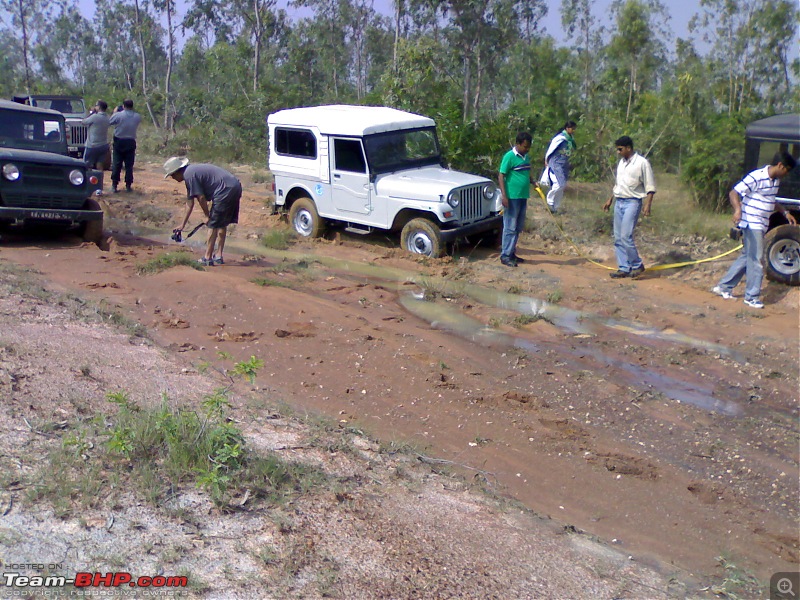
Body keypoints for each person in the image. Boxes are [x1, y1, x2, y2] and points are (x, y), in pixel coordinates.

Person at [712, 151, 797, 308]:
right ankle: (751, 296)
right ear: (780, 165)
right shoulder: (757, 176)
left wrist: (785, 212)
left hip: (762, 223)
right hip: (751, 222)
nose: (786, 174)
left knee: (747, 257)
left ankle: (723, 287)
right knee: (757, 259)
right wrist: (737, 210)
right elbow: (734, 192)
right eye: (786, 170)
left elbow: (770, 201)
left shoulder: (775, 181)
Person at [164, 157, 242, 266]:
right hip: (235, 186)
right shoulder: (191, 173)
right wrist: (182, 225)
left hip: (224, 190)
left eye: (172, 175)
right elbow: (189, 203)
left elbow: (201, 198)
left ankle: (207, 258)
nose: (173, 178)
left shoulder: (189, 176)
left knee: (212, 225)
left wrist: (206, 215)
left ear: (177, 172)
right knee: (221, 223)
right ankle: (218, 256)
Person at [603, 136, 656, 279]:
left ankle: (637, 265)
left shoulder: (642, 163)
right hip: (619, 201)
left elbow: (650, 186)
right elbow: (618, 184)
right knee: (618, 238)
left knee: (626, 236)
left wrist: (647, 205)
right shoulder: (621, 163)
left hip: (632, 202)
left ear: (628, 148)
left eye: (620, 149)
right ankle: (624, 268)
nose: (618, 152)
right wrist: (610, 199)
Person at [498, 131, 534, 267]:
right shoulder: (509, 156)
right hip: (512, 197)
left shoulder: (526, 157)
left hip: (523, 196)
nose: (526, 149)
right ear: (518, 144)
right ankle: (505, 255)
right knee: (510, 227)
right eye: (525, 146)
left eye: (528, 147)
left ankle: (512, 252)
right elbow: (501, 175)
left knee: (518, 227)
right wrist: (504, 196)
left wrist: (532, 181)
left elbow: (526, 171)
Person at [543, 121, 577, 214]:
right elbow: (551, 148)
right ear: (567, 128)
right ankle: (549, 201)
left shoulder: (570, 140)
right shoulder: (560, 138)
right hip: (555, 163)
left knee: (562, 185)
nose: (573, 130)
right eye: (572, 128)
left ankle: (555, 206)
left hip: (564, 164)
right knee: (559, 183)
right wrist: (546, 159)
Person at [108, 99, 141, 193]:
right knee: (129, 165)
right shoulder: (137, 116)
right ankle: (128, 185)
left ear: (123, 106)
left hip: (119, 141)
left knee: (117, 164)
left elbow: (109, 122)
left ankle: (114, 185)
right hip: (131, 141)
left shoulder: (118, 115)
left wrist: (114, 112)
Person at [82, 100, 110, 195]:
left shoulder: (94, 117)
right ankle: (98, 188)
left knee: (86, 165)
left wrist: (91, 112)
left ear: (98, 107)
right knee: (100, 166)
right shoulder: (107, 118)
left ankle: (84, 185)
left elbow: (84, 122)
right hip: (103, 145)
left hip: (92, 145)